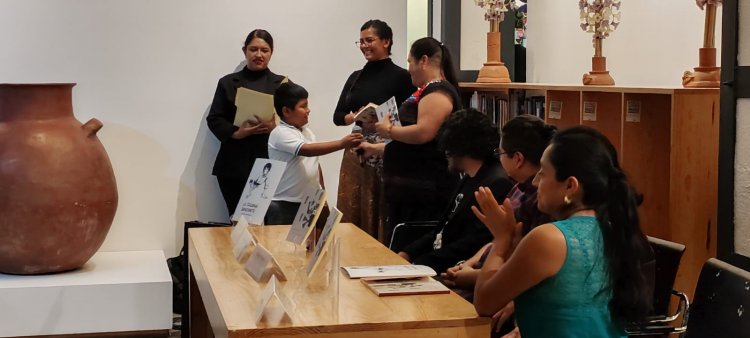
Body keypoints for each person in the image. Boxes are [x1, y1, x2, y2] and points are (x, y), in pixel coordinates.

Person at [472, 126, 653, 338]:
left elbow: (484, 303)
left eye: (543, 172)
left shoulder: (548, 239)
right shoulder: (616, 230)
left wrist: (501, 242)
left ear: (570, 186)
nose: (535, 181)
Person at [356, 37, 462, 246]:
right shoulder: (424, 91)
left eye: (410, 62)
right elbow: (410, 145)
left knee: (411, 248)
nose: (409, 69)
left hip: (426, 191)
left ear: (423, 60)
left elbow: (424, 133)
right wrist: (376, 149)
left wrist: (389, 130)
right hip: (409, 191)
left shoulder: (438, 91)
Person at [397, 108, 514, 274]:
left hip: (454, 269)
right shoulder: (470, 176)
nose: (445, 152)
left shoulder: (496, 184)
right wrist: (407, 253)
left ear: (458, 146)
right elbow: (441, 230)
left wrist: (419, 264)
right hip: (438, 262)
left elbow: (471, 244)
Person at [334, 19, 415, 241]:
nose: (364, 46)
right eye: (360, 42)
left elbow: (410, 115)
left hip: (384, 145)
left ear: (386, 41)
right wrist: (353, 116)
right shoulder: (355, 76)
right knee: (353, 200)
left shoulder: (402, 76)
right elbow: (338, 116)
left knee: (379, 204)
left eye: (369, 40)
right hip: (356, 143)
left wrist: (382, 120)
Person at [207, 29, 284, 216]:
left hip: (269, 162)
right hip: (234, 164)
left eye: (264, 50)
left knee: (267, 222)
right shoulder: (227, 83)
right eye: (253, 49)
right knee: (237, 221)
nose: (259, 55)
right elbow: (214, 118)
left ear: (271, 52)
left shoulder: (282, 84)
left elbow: (295, 122)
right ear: (245, 51)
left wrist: (276, 128)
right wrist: (236, 132)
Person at [266, 82, 363, 225]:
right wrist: (342, 143)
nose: (308, 110)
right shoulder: (280, 133)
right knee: (283, 246)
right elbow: (308, 151)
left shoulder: (307, 131)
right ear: (286, 111)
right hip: (285, 203)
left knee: (313, 244)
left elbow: (315, 164)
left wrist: (321, 192)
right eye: (303, 106)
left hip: (310, 201)